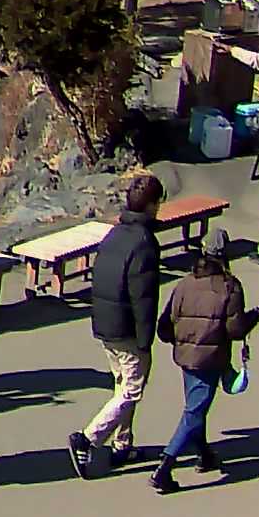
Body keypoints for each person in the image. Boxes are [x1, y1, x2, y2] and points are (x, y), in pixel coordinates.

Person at [72, 170, 166, 477]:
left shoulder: (114, 234)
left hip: (106, 324)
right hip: (127, 329)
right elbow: (144, 297)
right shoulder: (144, 242)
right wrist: (145, 338)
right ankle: (88, 438)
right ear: (152, 205)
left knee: (121, 384)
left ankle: (122, 444)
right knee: (131, 390)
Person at [153, 247, 259, 490]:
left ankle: (204, 454)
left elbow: (165, 325)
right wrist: (253, 317)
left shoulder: (184, 283)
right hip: (211, 358)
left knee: (196, 406)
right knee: (194, 411)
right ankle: (164, 468)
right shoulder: (230, 286)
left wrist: (182, 341)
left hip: (186, 356)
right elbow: (235, 330)